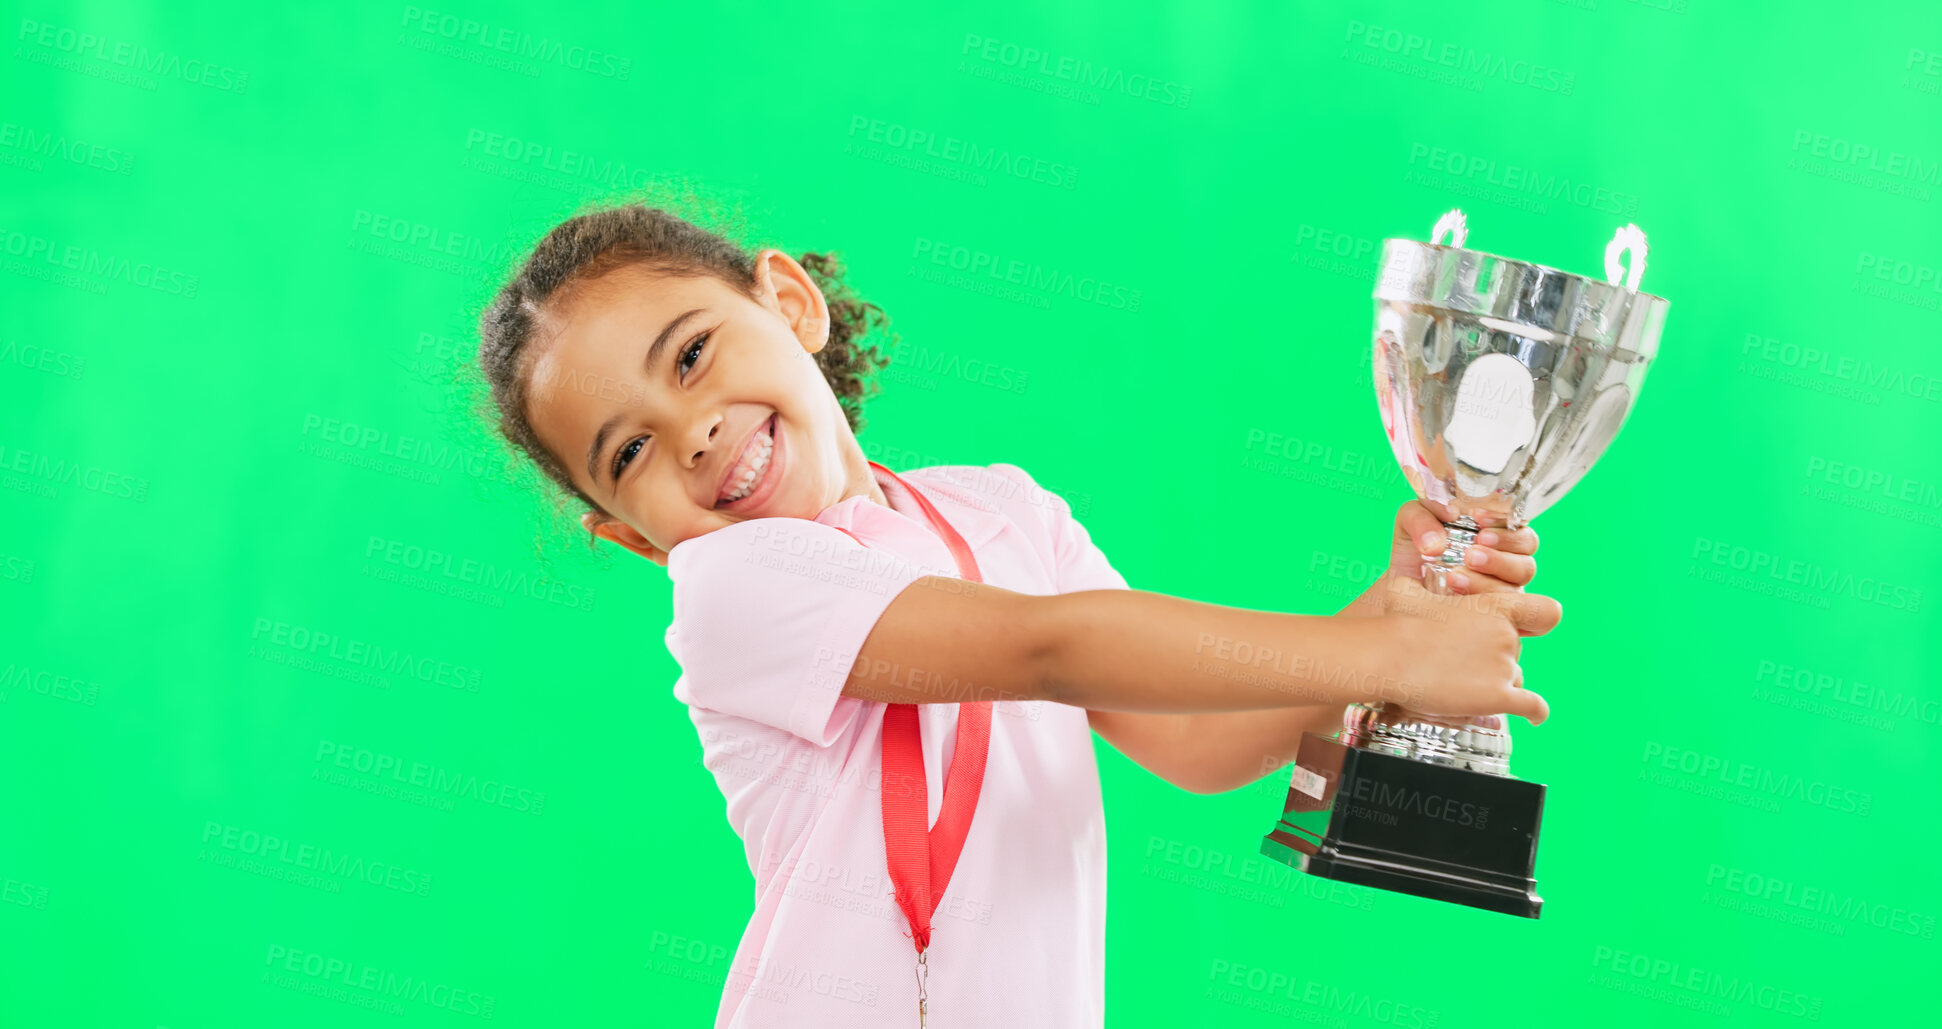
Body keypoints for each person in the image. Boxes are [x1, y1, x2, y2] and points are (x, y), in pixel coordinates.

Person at [474, 201, 1561, 1028]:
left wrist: (1399, 604)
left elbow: (1192, 739)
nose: (692, 432)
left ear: (790, 305)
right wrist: (1383, 652)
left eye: (694, 355)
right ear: (631, 535)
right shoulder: (732, 592)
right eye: (629, 453)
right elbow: (1050, 648)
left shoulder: (1001, 508)